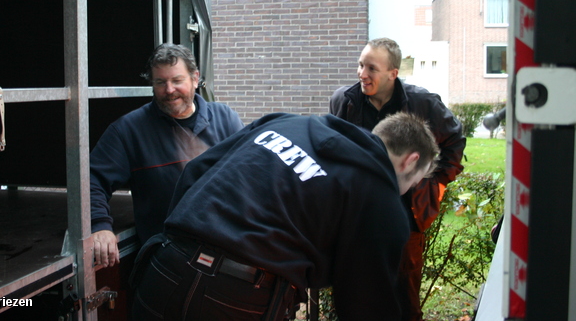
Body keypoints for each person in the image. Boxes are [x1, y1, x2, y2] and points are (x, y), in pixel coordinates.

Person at [130, 111, 439, 320]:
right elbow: (365, 304)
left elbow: (196, 171)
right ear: (410, 161)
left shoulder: (287, 123)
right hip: (239, 300)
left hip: (164, 268)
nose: (408, 190)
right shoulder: (381, 198)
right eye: (415, 181)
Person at [329, 37, 466, 321]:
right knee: (353, 295)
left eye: (372, 68)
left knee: (403, 298)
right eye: (360, 65)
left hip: (406, 216)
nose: (362, 74)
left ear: (393, 73)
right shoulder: (344, 102)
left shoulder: (423, 103)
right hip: (357, 216)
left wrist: (435, 184)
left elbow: (454, 141)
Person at [90, 43, 244, 267]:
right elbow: (91, 181)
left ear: (195, 78)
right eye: (160, 82)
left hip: (228, 255)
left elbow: (250, 176)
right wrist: (99, 225)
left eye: (177, 80)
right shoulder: (128, 130)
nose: (169, 90)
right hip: (169, 263)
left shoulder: (226, 119)